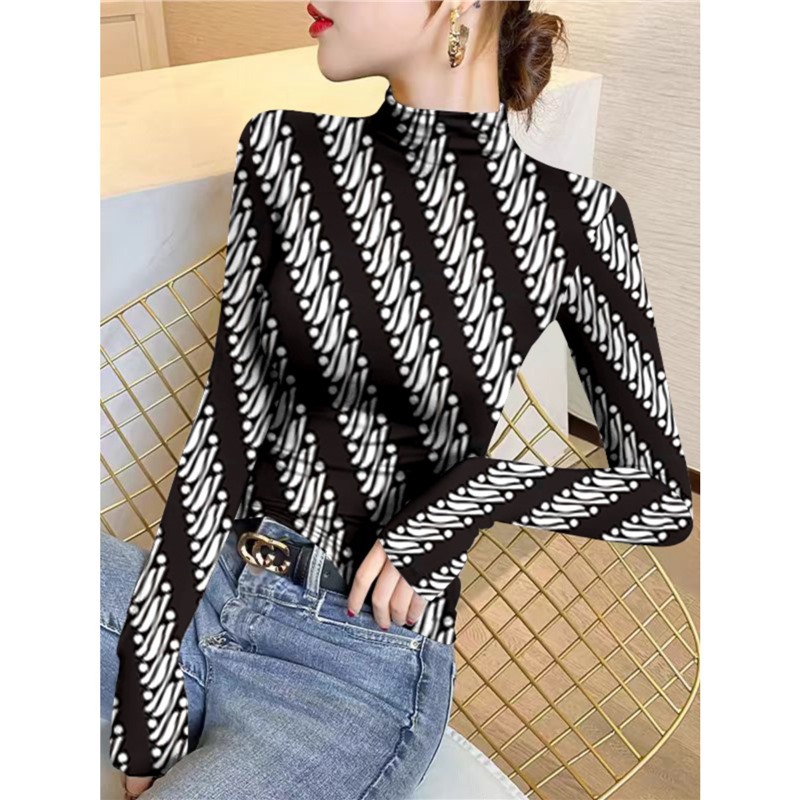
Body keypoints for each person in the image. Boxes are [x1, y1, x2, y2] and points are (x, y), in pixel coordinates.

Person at [101, 2, 693, 798]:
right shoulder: (286, 151)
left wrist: (471, 496)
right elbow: (226, 428)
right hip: (219, 588)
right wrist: (147, 686)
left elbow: (662, 500)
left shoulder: (576, 220)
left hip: (358, 667)